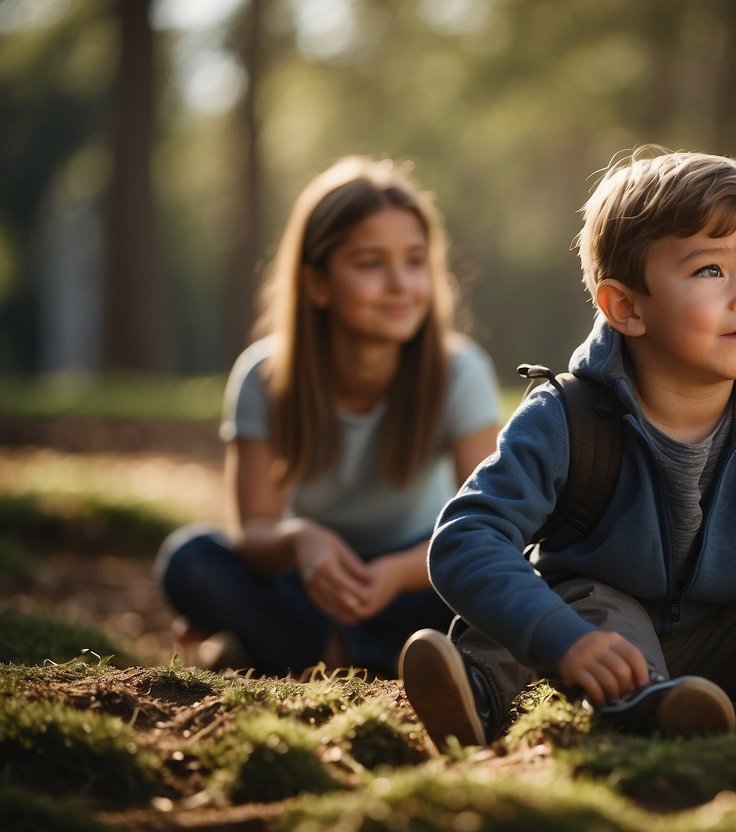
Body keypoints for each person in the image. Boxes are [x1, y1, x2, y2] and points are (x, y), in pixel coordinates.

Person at [400, 146, 736, 747]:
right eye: (711, 270)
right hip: (594, 642)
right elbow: (466, 539)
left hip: (725, 636)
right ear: (626, 307)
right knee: (580, 601)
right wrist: (562, 638)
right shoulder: (567, 417)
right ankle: (484, 694)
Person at [155, 155, 499, 678]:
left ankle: (287, 652)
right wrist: (300, 539)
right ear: (316, 284)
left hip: (421, 579)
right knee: (190, 560)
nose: (400, 284)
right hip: (307, 586)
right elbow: (254, 534)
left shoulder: (459, 372)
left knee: (509, 577)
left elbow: (483, 531)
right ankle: (359, 655)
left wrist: (395, 574)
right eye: (369, 263)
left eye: (414, 261)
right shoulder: (263, 377)